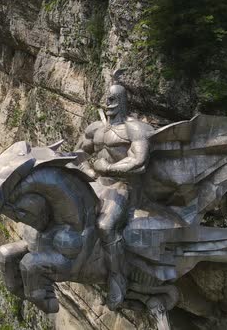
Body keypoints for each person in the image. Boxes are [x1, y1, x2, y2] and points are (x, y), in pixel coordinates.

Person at [74, 75, 154, 310]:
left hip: (124, 186)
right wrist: (88, 170)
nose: (108, 103)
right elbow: (78, 154)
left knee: (105, 226)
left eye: (112, 99)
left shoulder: (134, 128)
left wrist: (108, 168)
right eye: (106, 99)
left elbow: (139, 161)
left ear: (121, 100)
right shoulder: (96, 129)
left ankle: (118, 279)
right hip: (98, 182)